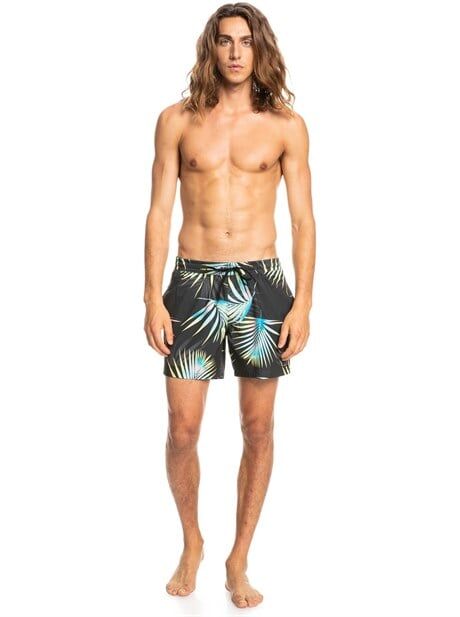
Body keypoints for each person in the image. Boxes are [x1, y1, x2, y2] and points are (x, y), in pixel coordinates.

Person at [143, 2, 315, 609]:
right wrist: (152, 296)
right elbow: (159, 211)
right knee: (182, 429)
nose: (236, 52)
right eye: (225, 41)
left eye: (245, 41)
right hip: (192, 283)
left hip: (261, 286)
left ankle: (238, 557)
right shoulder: (176, 121)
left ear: (259, 48)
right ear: (210, 48)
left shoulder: (286, 126)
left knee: (258, 428)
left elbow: (303, 220)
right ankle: (192, 540)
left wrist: (302, 303)